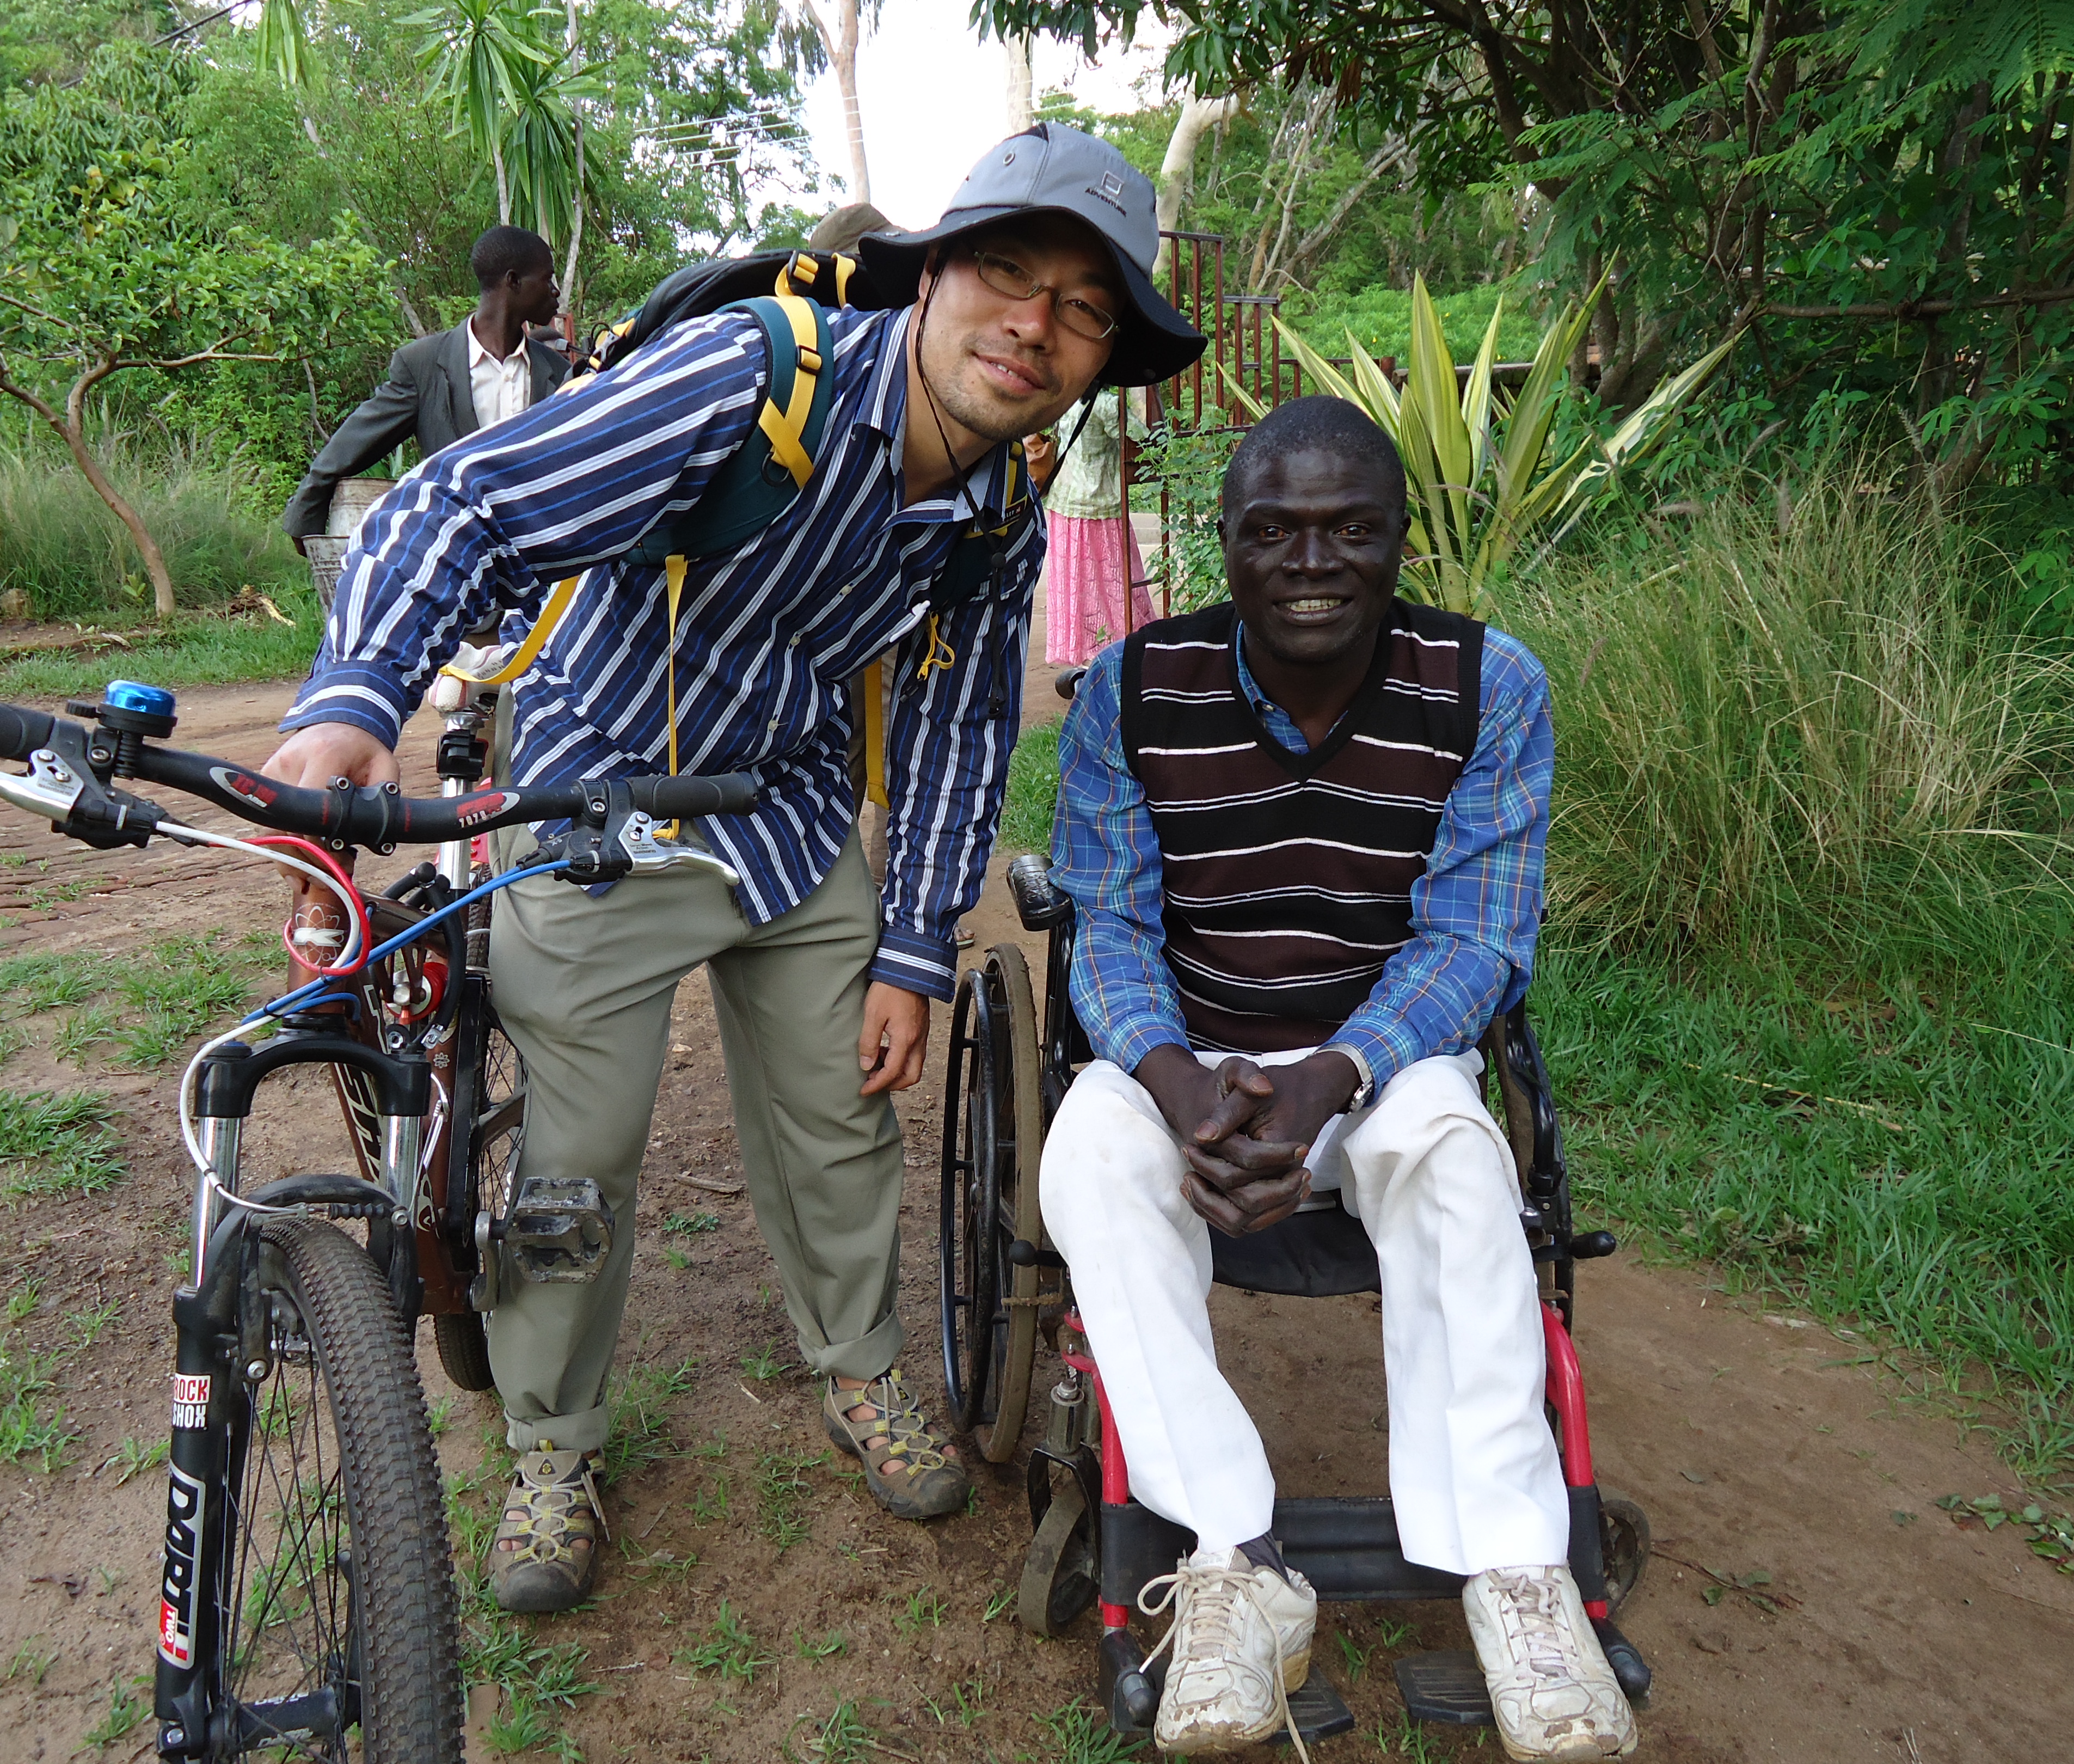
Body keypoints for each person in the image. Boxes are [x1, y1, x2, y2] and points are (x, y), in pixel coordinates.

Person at [259, 122, 1206, 1614]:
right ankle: (553, 1443)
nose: (1034, 326)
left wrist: (914, 945)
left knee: (843, 1118)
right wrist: (355, 697)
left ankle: (861, 1367)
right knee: (577, 1151)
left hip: (788, 807)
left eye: (1083, 310)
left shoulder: (1003, 505)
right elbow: (474, 502)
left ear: (1101, 358)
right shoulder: (752, 377)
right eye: (1008, 274)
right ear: (931, 275)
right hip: (601, 790)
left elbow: (960, 727)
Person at [1040, 396, 1636, 1760]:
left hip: (1380, 1057)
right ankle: (1233, 1561)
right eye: (1274, 532)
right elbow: (1110, 924)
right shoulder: (1133, 689)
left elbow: (1474, 939)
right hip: (1188, 1050)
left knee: (1455, 1149)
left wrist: (1335, 1074)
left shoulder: (1488, 687)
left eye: (1350, 530)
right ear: (1227, 545)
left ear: (1400, 541)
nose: (1311, 562)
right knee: (1088, 1149)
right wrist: (1178, 1083)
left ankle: (1517, 1576)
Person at [279, 225, 572, 545]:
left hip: (538, 556)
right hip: (454, 553)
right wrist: (306, 512)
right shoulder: (423, 365)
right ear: (513, 281)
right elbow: (357, 441)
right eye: (547, 279)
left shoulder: (559, 373)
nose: (555, 291)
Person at [1041, 386, 1153, 663]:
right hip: (1101, 503)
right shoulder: (1107, 405)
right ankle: (1121, 640)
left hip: (1064, 500)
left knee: (1074, 579)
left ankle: (1078, 647)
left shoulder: (1065, 398)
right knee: (1113, 576)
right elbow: (1142, 437)